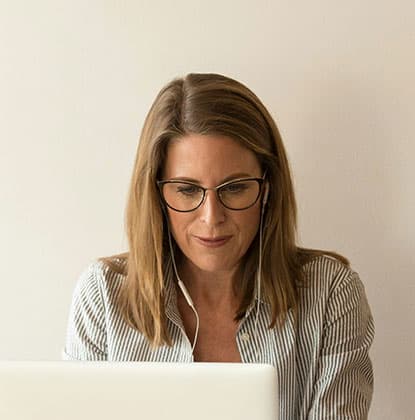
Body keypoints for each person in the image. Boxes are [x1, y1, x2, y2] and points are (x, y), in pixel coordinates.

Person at [64, 73, 374, 418]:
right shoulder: (103, 296)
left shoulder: (329, 294)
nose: (212, 218)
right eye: (187, 190)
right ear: (156, 194)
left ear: (267, 187)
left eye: (234, 188)